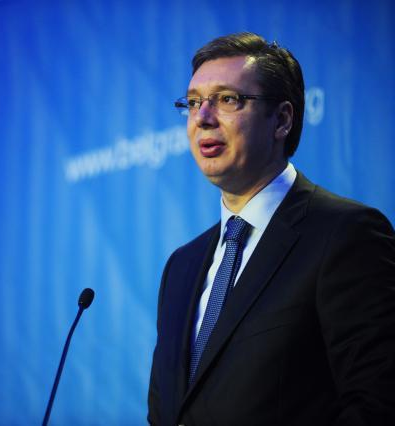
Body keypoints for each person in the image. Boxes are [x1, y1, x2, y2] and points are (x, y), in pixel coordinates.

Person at [147, 32, 395, 425]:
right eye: (193, 102)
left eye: (227, 99)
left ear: (281, 120)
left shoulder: (347, 235)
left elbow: (377, 403)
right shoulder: (181, 266)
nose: (203, 118)